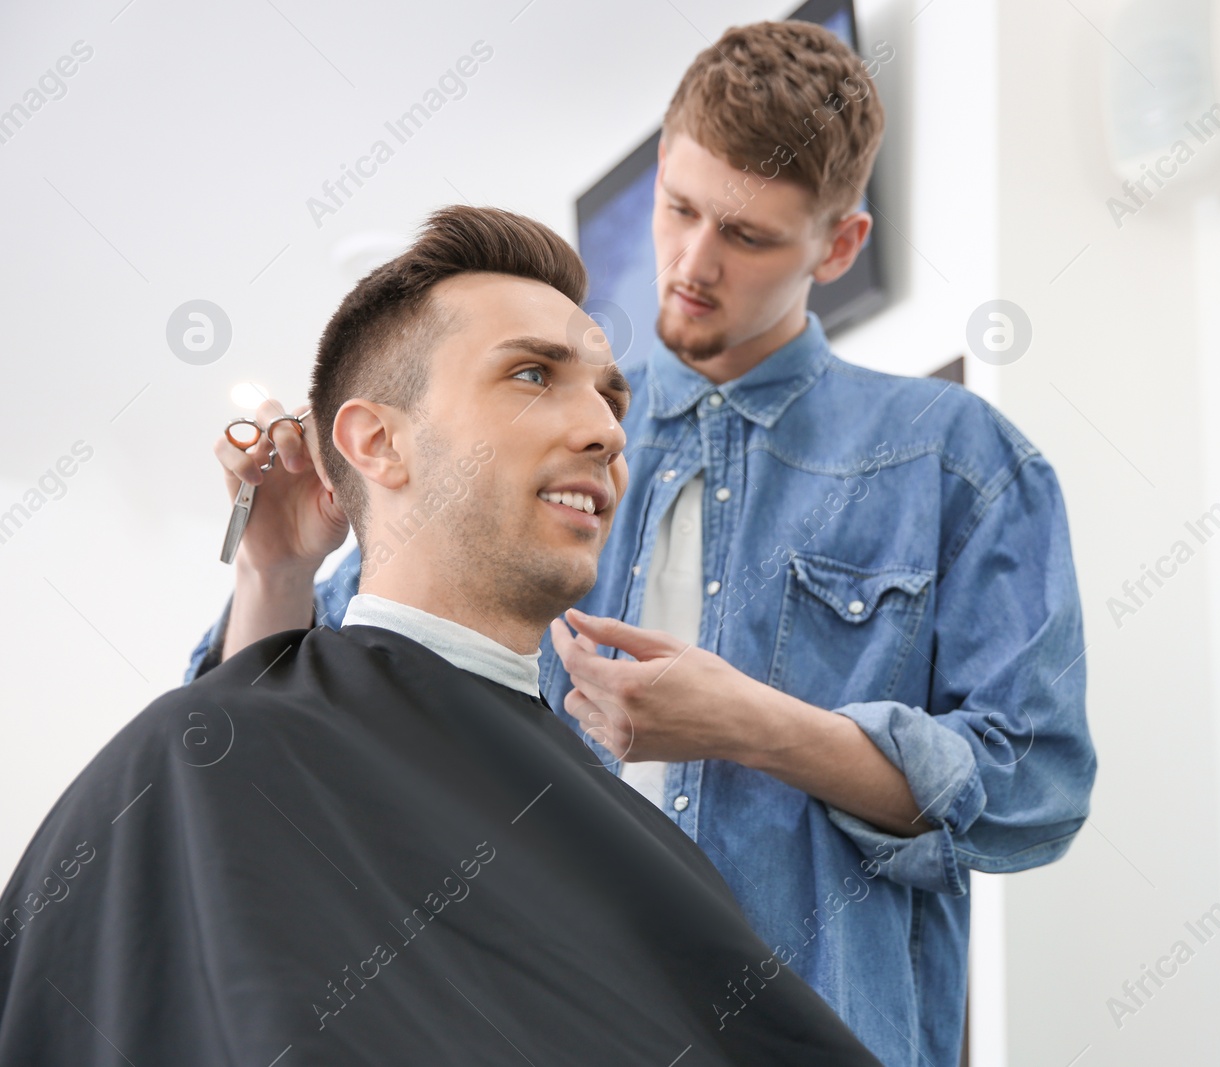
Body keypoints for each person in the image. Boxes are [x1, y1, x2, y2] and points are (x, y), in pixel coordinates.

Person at [190, 20, 1095, 1067]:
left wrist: (761, 727)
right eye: (678, 209)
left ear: (837, 246)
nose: (692, 266)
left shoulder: (961, 463)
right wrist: (274, 565)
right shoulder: (534, 445)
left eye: (748, 237)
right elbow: (274, 719)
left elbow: (1036, 792)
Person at [0, 205, 884, 1066]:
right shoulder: (194, 763)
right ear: (377, 442)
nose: (607, 430)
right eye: (533, 375)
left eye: (611, 396)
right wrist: (271, 573)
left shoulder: (650, 853)